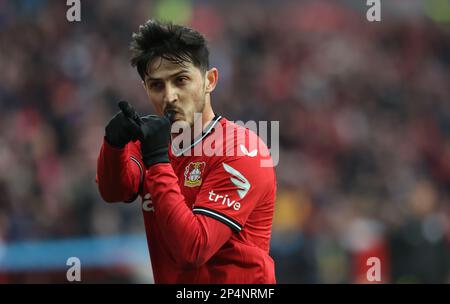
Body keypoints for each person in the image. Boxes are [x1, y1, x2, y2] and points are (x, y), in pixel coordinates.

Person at [96, 19, 277, 283]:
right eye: (157, 85)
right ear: (145, 89)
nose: (169, 96)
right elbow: (115, 191)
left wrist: (158, 160)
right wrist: (112, 145)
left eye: (181, 80)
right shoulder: (149, 142)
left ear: (210, 80)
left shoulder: (243, 152)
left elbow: (193, 249)